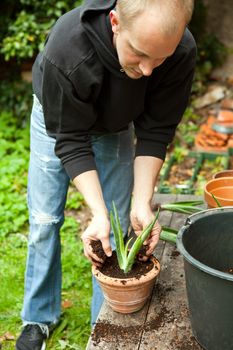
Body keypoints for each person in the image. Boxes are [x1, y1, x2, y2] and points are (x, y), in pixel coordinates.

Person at [16, 0, 196, 348]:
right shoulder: (67, 50)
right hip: (56, 119)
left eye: (159, 59)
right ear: (115, 22)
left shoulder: (180, 49)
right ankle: (38, 317)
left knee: (117, 227)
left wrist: (141, 202)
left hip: (115, 125)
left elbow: (157, 130)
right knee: (44, 220)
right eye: (140, 54)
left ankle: (105, 322)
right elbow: (70, 140)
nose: (147, 71)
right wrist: (94, 211)